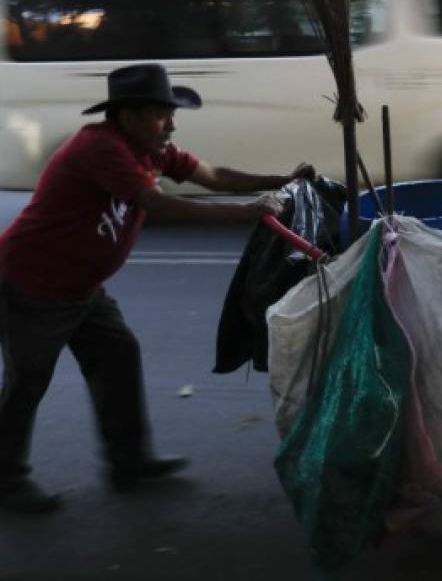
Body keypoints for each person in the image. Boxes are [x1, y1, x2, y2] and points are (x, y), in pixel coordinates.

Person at [0, 63, 314, 514]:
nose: (171, 123)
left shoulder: (150, 148)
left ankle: (129, 462)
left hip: (81, 287)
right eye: (160, 114)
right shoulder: (101, 149)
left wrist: (280, 180)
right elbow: (157, 205)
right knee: (28, 382)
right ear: (126, 117)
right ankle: (7, 481)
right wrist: (246, 213)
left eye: (171, 113)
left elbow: (213, 175)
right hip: (33, 284)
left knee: (118, 357)